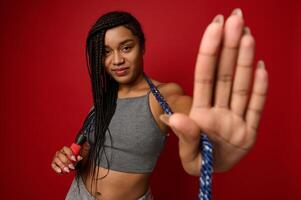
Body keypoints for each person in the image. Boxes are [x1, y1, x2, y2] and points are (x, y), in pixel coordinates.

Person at [51, 9, 268, 200]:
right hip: (78, 194)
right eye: (106, 52)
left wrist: (210, 135)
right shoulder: (104, 97)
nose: (116, 60)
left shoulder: (162, 96)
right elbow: (90, 148)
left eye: (126, 48)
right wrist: (70, 159)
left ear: (142, 47)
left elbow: (185, 109)